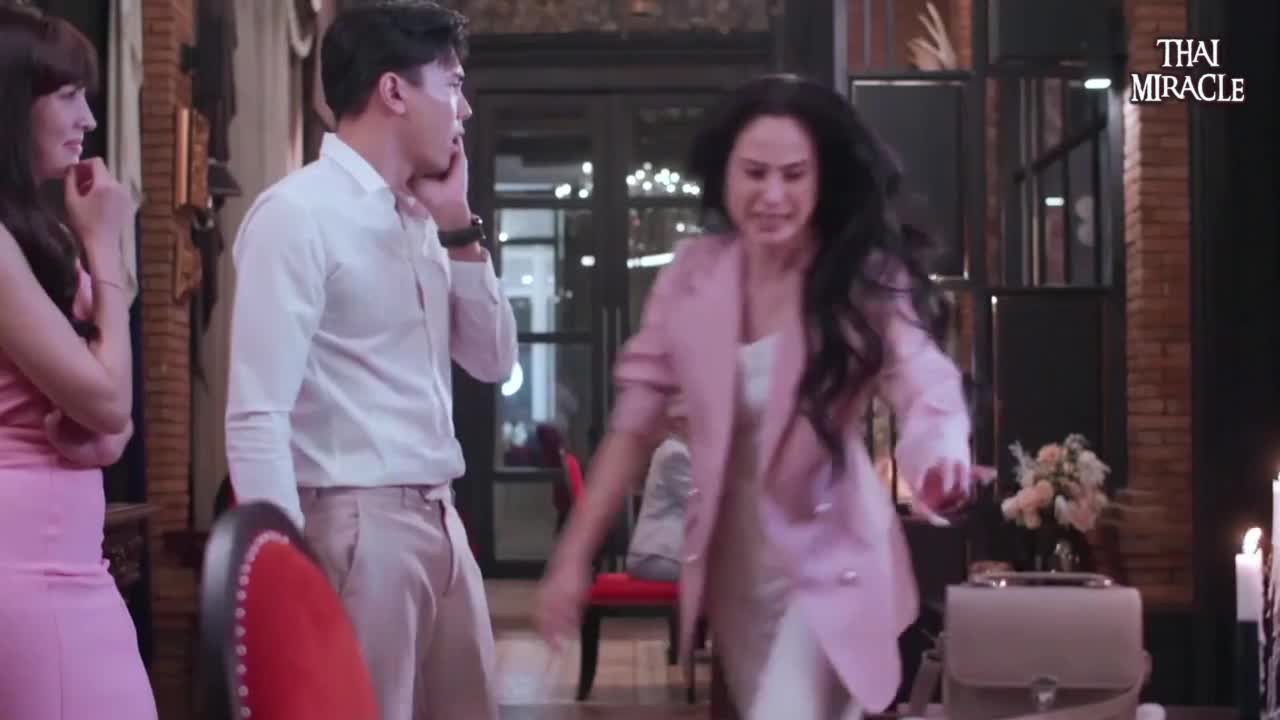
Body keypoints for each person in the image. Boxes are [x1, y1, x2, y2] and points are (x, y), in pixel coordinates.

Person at [535, 74, 988, 720]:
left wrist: (940, 455)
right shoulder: (691, 277)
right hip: (736, 567)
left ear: (821, 179)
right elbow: (632, 428)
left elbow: (924, 381)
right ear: (725, 174)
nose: (773, 195)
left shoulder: (857, 275)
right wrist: (572, 558)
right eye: (754, 173)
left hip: (834, 560)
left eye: (794, 175)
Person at [223, 3, 516, 719]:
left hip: (442, 520)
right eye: (451, 84)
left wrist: (458, 227)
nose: (464, 108)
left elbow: (492, 361)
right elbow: (256, 415)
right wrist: (283, 580)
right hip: (355, 526)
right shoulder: (297, 214)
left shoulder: (423, 218)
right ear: (393, 91)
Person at [0, 5, 156, 719]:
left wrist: (105, 427)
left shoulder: (31, 237)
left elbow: (110, 413)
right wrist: (106, 247)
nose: (88, 118)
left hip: (63, 560)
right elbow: (110, 398)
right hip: (31, 568)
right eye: (68, 95)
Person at [625, 398, 692, 582]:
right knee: (725, 579)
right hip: (656, 557)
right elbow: (699, 503)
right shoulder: (674, 453)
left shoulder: (680, 450)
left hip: (665, 555)